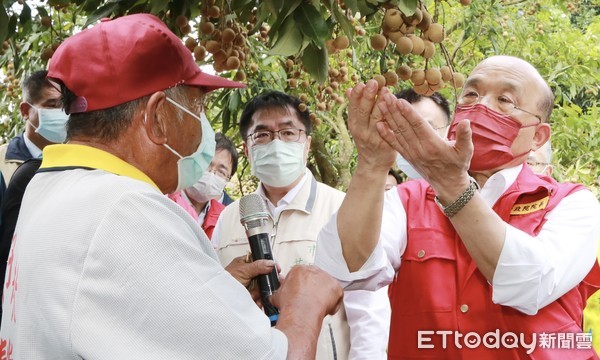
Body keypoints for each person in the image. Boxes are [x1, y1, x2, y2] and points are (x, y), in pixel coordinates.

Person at [0, 14, 343, 359]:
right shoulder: (129, 212)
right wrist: (305, 306)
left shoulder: (47, 185)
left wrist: (210, 295)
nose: (204, 125)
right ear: (158, 117)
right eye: (198, 107)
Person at [315, 55, 600, 358]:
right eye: (471, 95)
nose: (481, 106)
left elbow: (532, 282)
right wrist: (371, 164)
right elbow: (344, 269)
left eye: (504, 99)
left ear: (537, 135)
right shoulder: (407, 200)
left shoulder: (570, 203)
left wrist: (452, 186)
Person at [213, 90, 389, 360]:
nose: (275, 143)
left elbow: (368, 310)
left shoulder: (342, 209)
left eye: (287, 133)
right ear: (247, 150)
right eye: (262, 134)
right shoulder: (230, 216)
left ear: (306, 144)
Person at [0, 70, 67, 185]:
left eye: (65, 106)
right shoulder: (2, 162)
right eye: (52, 105)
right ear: (25, 111)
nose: (61, 113)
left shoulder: (75, 158)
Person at [169, 132, 238, 239]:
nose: (211, 174)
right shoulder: (164, 199)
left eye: (221, 171)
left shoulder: (225, 218)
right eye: (206, 164)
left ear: (227, 180)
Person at [394, 89, 450, 180]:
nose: (414, 140)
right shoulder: (388, 193)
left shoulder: (476, 188)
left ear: (448, 131)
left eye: (426, 129)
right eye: (404, 131)